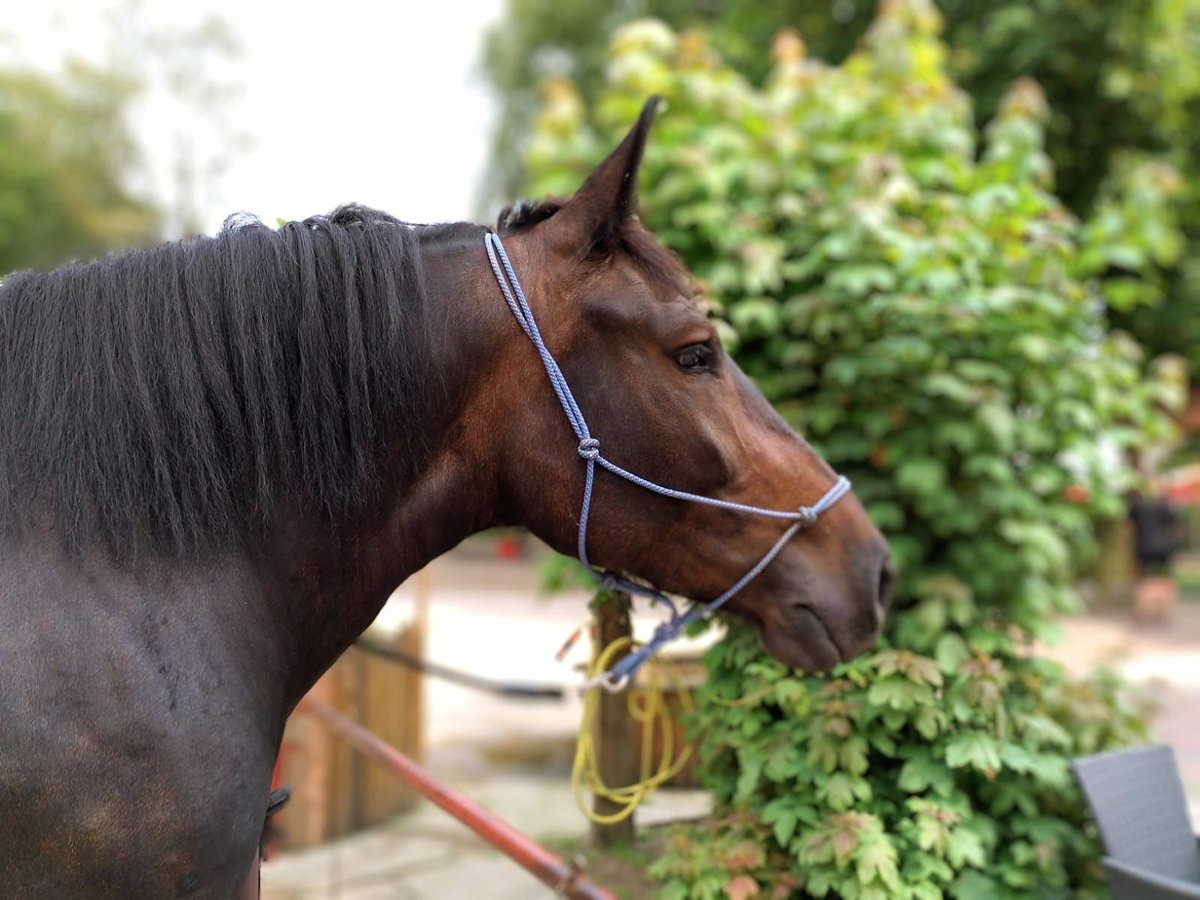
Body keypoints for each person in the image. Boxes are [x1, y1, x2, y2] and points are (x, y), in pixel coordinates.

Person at [1128, 488, 1180, 622]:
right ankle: (1165, 611)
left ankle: (1142, 611)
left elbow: (1128, 526)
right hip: (1164, 547)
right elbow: (1175, 526)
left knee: (1142, 579)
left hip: (1144, 546)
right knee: (1165, 578)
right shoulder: (1165, 504)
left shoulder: (1137, 505)